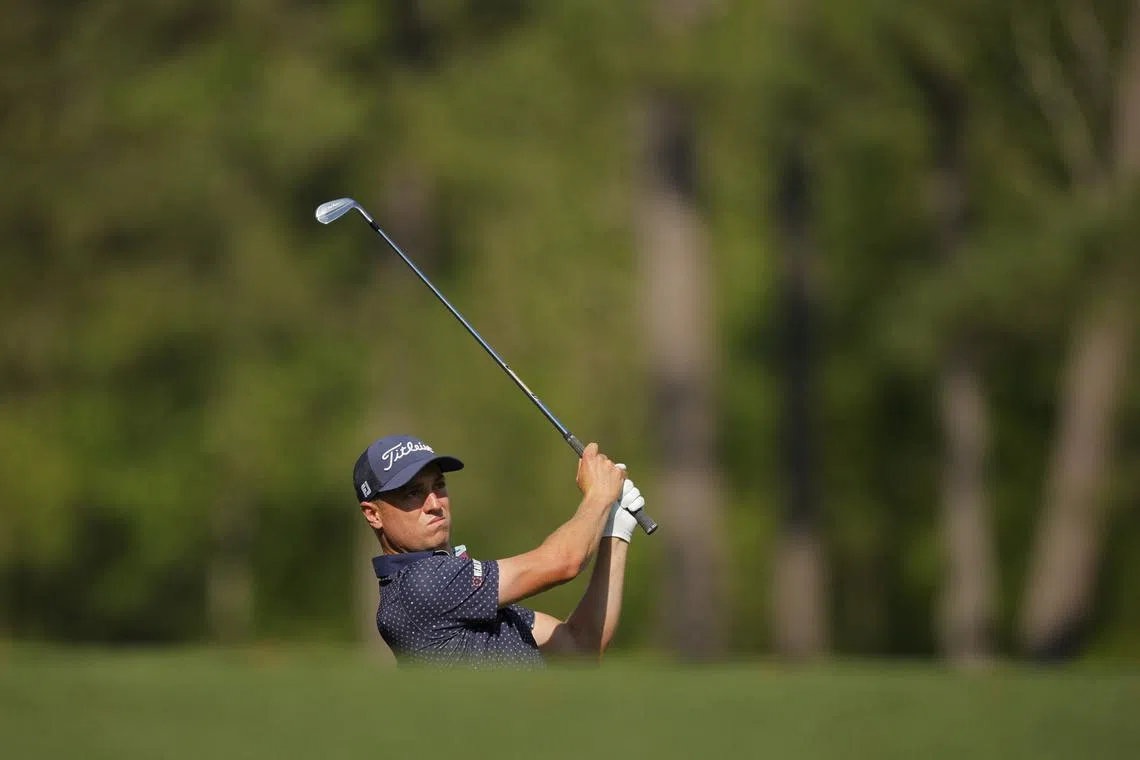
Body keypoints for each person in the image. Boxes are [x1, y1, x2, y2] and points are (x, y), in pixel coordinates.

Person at [354, 433, 645, 668]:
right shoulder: (421, 584)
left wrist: (615, 532)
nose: (434, 504)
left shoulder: (466, 594)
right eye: (413, 493)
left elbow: (580, 647)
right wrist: (598, 496)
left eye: (439, 486)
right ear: (373, 514)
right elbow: (564, 562)